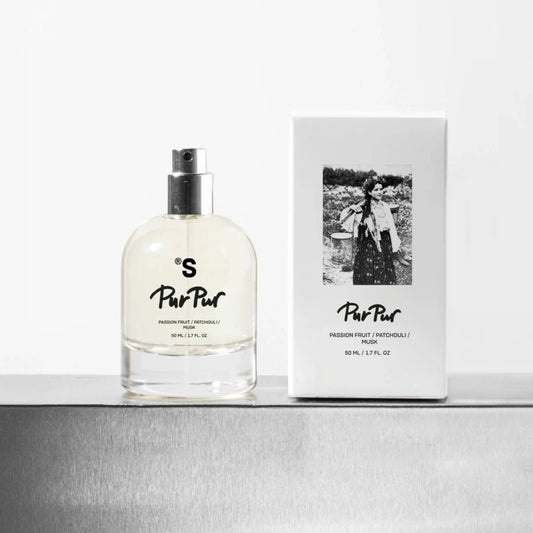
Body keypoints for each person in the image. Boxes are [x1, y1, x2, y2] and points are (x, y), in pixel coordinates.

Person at [346, 177, 401, 285]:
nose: (380, 192)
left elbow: (391, 227)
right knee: (368, 271)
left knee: (385, 269)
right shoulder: (363, 207)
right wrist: (358, 214)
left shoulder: (385, 206)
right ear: (369, 192)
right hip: (368, 244)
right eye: (376, 190)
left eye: (381, 189)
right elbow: (352, 226)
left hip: (385, 242)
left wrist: (395, 245)